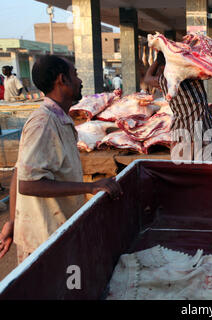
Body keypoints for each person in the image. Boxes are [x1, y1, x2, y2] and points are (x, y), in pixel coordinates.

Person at [0, 55, 123, 263]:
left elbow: (19, 170)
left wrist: (13, 220)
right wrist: (90, 187)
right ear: (61, 80)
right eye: (74, 75)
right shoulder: (44, 123)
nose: (80, 80)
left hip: (56, 234)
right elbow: (28, 184)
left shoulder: (59, 119)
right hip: (44, 240)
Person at [144, 51, 212, 161]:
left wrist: (157, 61)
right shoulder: (191, 74)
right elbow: (209, 72)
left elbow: (147, 78)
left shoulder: (164, 81)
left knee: (183, 169)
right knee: (207, 168)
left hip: (181, 129)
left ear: (164, 67)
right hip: (204, 127)